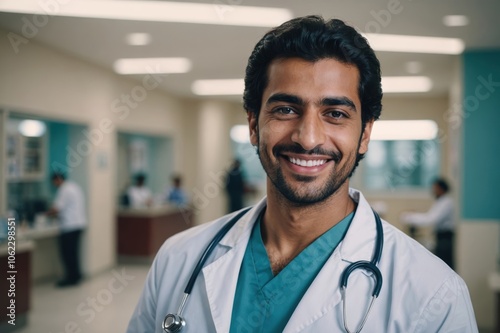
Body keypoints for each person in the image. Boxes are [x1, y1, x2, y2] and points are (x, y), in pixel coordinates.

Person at [127, 16, 477, 332]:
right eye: (286, 109)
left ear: (365, 134)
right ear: (254, 124)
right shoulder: (179, 258)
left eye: (336, 113)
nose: (308, 138)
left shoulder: (435, 296)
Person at [401, 177, 456, 269]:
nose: (433, 190)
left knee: (445, 265)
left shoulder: (446, 202)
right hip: (441, 237)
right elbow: (429, 216)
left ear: (441, 188)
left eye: (435, 188)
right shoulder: (440, 202)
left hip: (445, 238)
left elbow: (431, 219)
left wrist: (410, 216)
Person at [46, 172, 86, 287]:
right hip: (78, 224)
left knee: (67, 254)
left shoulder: (64, 189)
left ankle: (71, 278)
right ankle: (76, 275)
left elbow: (56, 209)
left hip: (69, 226)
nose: (54, 185)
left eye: (54, 182)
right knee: (74, 253)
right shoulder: (74, 186)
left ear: (58, 179)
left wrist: (45, 214)